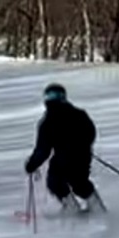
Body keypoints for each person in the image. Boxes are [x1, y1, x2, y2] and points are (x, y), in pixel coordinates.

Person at [24, 82, 104, 213]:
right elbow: (91, 133)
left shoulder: (50, 121)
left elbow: (43, 149)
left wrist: (32, 164)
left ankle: (80, 208)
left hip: (72, 156)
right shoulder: (76, 115)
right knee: (70, 182)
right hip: (76, 156)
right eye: (49, 96)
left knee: (67, 182)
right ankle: (88, 207)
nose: (51, 99)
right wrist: (83, 145)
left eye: (53, 96)